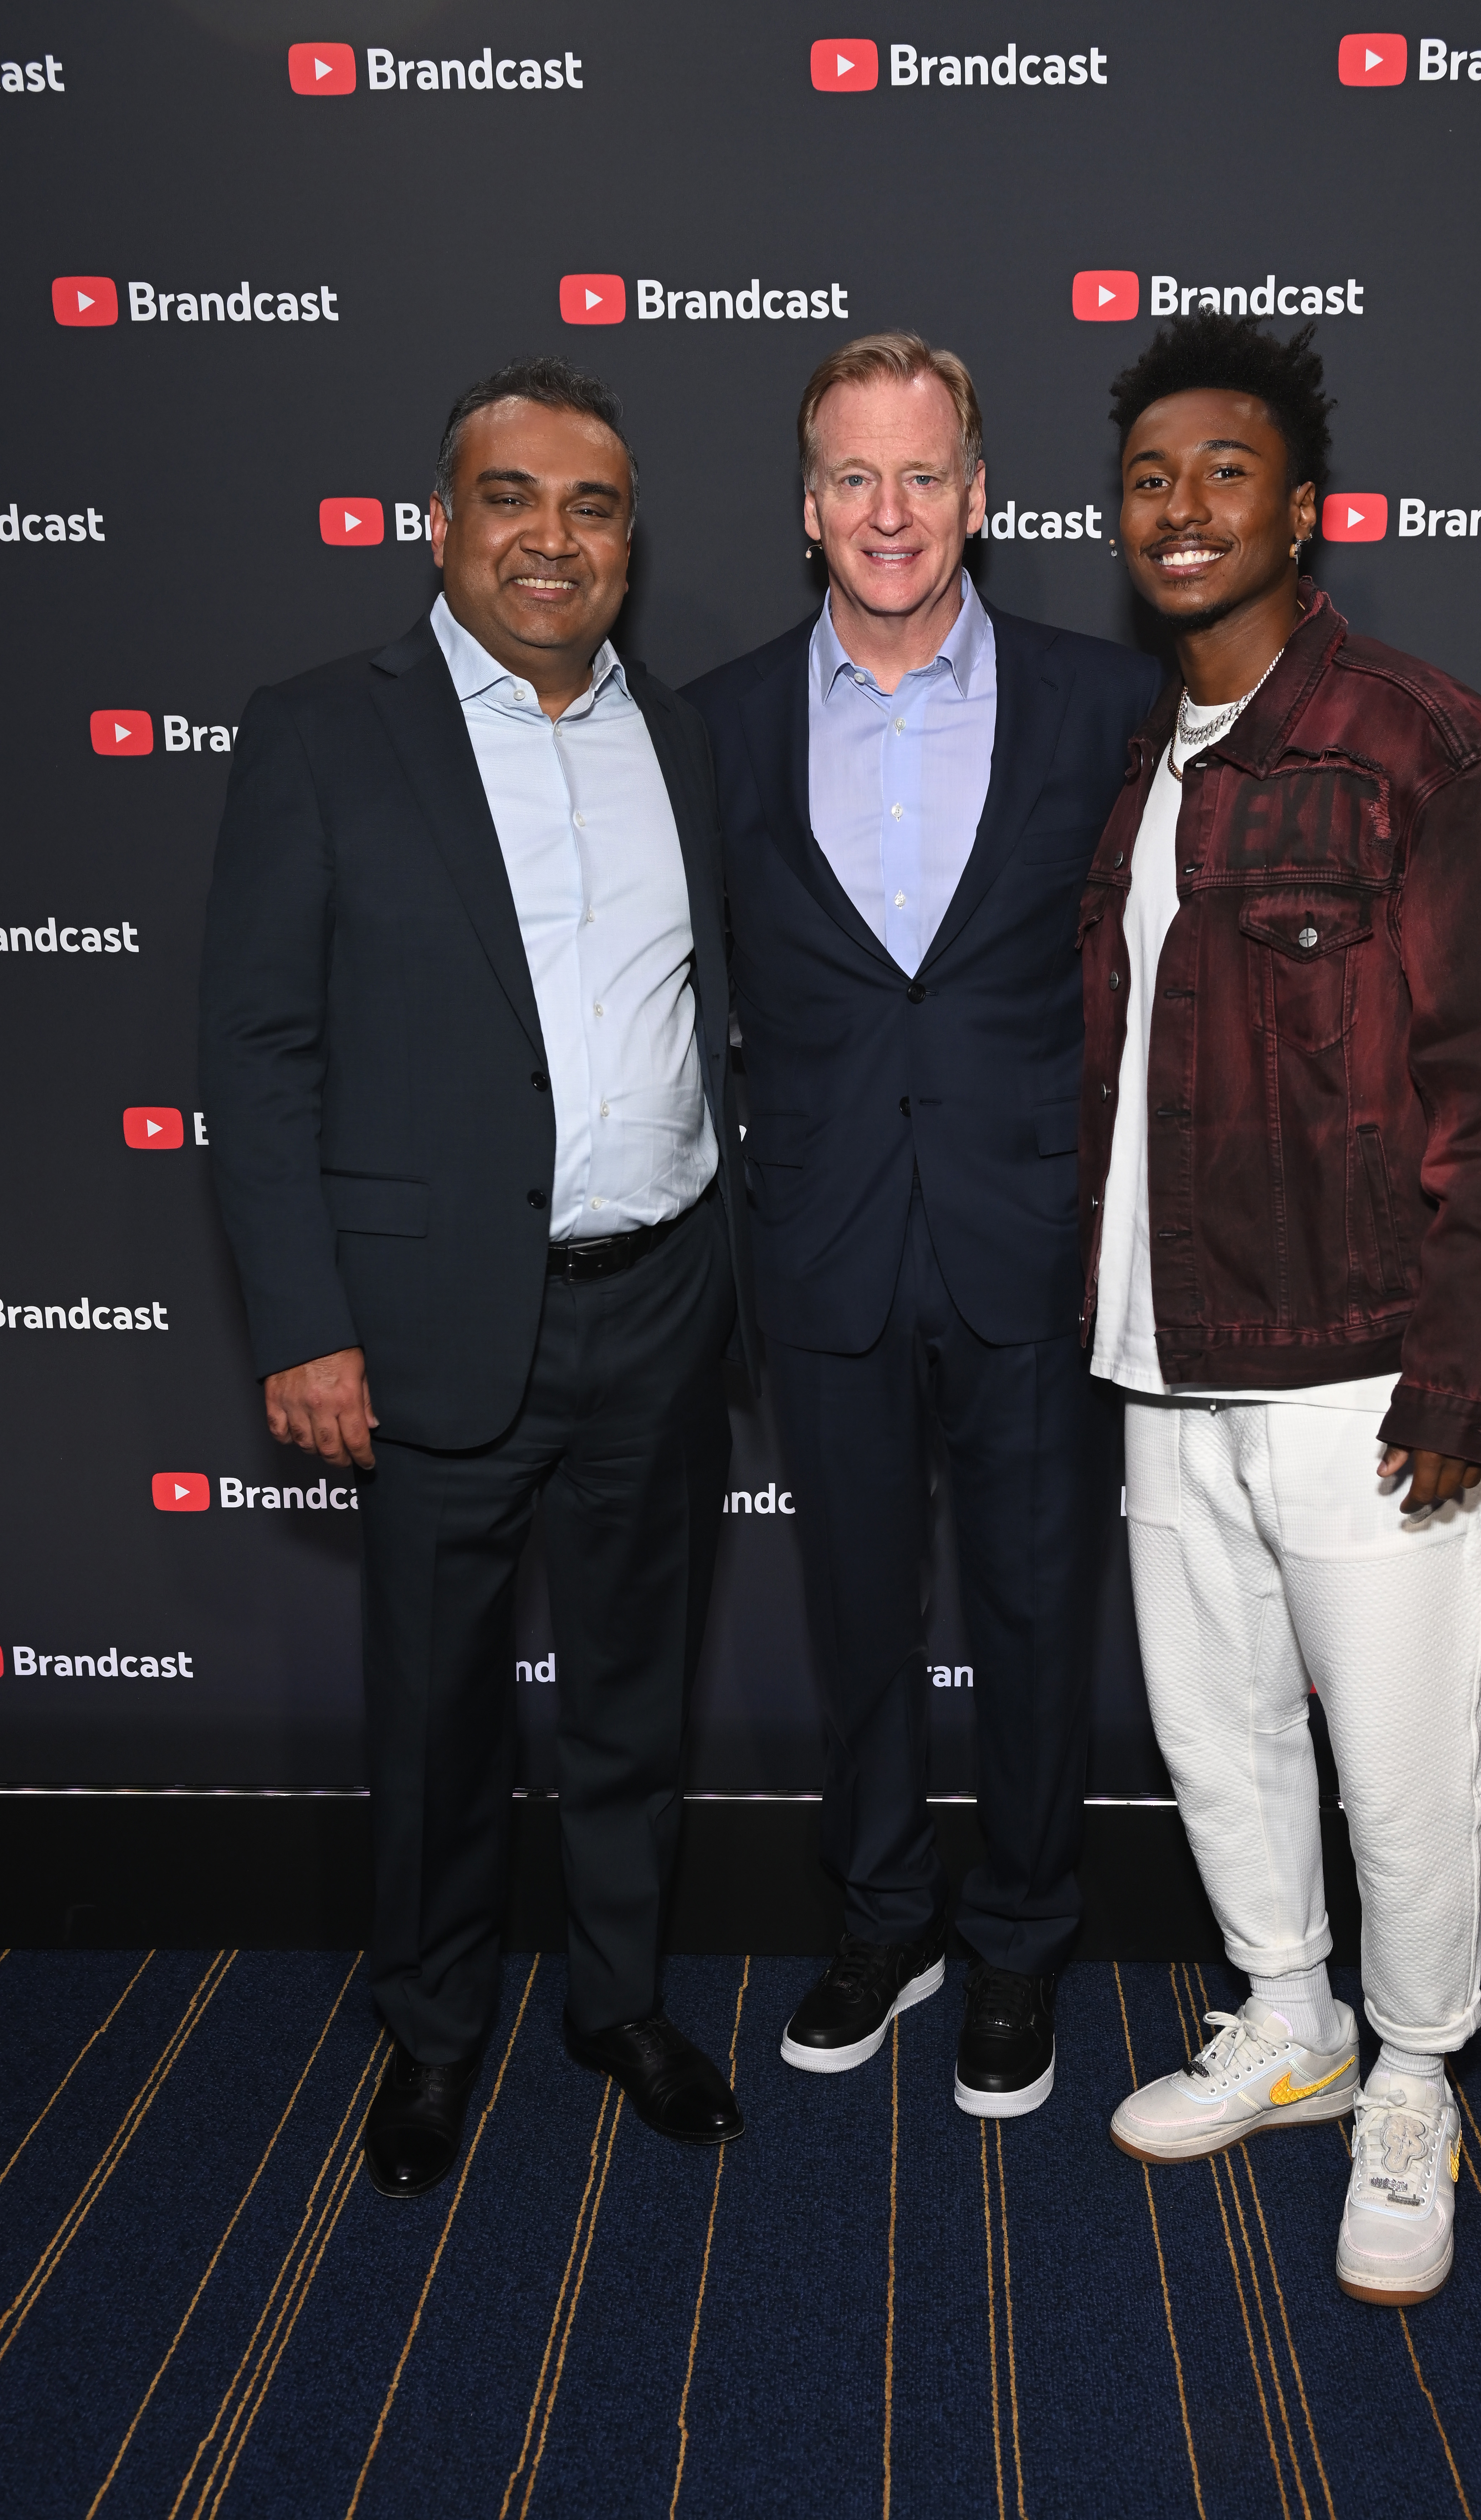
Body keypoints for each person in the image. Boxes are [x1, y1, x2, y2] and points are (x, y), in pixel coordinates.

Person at [200, 356, 756, 2193]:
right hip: (430, 1321)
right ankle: (431, 2032)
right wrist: (307, 1322)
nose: (552, 536)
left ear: (628, 542)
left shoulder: (673, 732)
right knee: (436, 1710)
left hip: (659, 1296)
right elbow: (261, 1050)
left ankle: (615, 2000)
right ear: (438, 524)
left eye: (591, 506)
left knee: (629, 1691)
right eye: (511, 498)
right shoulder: (318, 729)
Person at [1080, 312, 1481, 2300]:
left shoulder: (1414, 739)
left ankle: (1416, 2079)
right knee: (1216, 1739)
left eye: (1222, 469)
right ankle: (1292, 2024)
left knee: (1398, 1760)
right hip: (1155, 1351)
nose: (1179, 506)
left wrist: (1462, 1365)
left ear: (1304, 508)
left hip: (1362, 1364)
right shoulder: (1147, 759)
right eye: (1145, 476)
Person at [686, 334, 1160, 2117]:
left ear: (980, 492)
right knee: (856, 1610)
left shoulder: (1093, 703)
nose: (892, 513)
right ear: (810, 509)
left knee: (1041, 1612)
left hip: (1033, 1237)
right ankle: (887, 1917)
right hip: (820, 1244)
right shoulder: (718, 720)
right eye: (855, 479)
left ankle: (1023, 1936)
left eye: (924, 475)